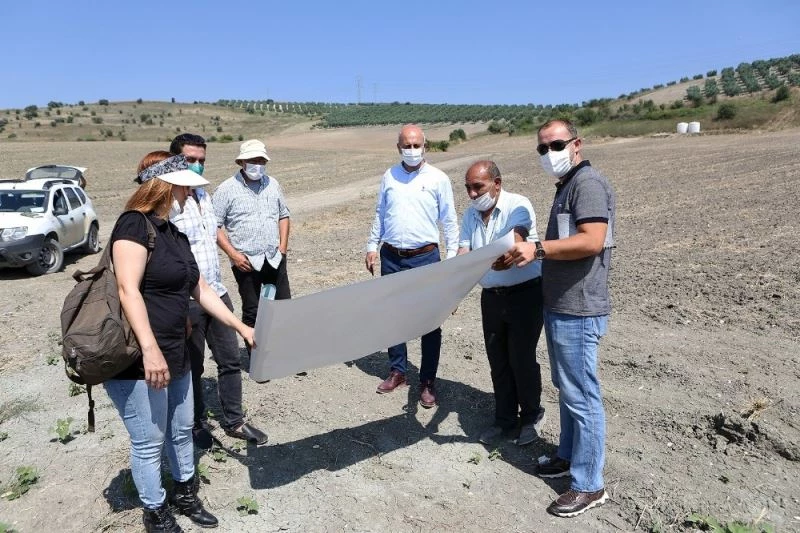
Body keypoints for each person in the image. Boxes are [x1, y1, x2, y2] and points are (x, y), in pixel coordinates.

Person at [108, 152, 255, 532]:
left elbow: (202, 290)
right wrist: (151, 350)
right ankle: (155, 511)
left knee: (181, 427)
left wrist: (241, 327)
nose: (190, 194)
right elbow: (127, 290)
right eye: (185, 188)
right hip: (141, 358)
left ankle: (185, 493)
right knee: (149, 440)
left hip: (176, 350)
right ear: (165, 186)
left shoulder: (175, 235)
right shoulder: (133, 225)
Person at [507, 119, 616, 518]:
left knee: (582, 395)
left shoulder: (588, 185)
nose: (549, 153)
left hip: (579, 308)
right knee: (568, 388)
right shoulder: (567, 186)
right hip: (560, 305)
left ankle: (589, 485)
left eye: (555, 145)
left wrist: (538, 250)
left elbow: (592, 240)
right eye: (542, 148)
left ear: (576, 144)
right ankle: (568, 457)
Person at [168, 134, 268, 449]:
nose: (197, 165)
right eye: (190, 160)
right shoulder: (168, 203)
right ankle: (195, 423)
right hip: (187, 299)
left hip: (217, 291)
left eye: (201, 160)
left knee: (229, 359)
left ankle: (235, 421)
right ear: (174, 161)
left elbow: (214, 233)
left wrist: (231, 253)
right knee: (193, 367)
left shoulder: (204, 195)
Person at [365, 124, 459, 408]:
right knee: (393, 316)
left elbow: (450, 221)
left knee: (430, 321)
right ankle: (398, 371)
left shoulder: (438, 179)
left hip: (425, 258)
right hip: (391, 256)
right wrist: (372, 246)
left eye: (417, 145)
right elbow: (380, 212)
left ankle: (427, 380)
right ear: (398, 147)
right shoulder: (389, 176)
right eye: (407, 145)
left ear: (425, 146)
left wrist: (452, 262)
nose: (412, 150)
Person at [457, 161, 545, 446]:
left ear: (497, 183)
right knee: (498, 360)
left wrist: (510, 251)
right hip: (492, 298)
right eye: (468, 188)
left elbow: (518, 234)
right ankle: (504, 419)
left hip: (525, 295)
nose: (472, 194)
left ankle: (530, 416)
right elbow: (463, 252)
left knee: (521, 358)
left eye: (478, 187)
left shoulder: (517, 204)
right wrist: (452, 287)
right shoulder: (470, 216)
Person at [213, 139, 291, 333]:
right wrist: (234, 255)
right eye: (253, 161)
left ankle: (283, 346)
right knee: (252, 310)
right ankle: (256, 350)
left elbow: (284, 215)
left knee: (283, 306)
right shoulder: (226, 189)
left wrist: (282, 248)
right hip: (245, 261)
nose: (258, 165)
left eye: (261, 161)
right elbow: (214, 226)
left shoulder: (273, 184)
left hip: (274, 257)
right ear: (241, 162)